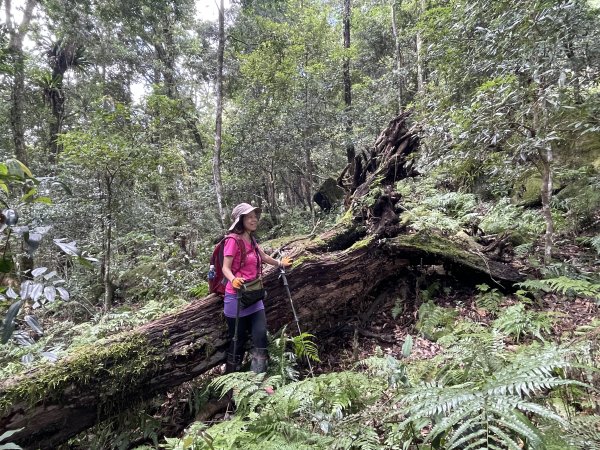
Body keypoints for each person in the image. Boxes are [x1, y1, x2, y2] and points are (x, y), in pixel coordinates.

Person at [221, 203, 292, 374]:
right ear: (241, 220)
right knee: (237, 340)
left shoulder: (251, 239)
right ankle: (233, 384)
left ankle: (259, 380)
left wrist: (280, 263)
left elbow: (264, 257)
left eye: (255, 216)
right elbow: (225, 268)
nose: (254, 220)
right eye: (249, 216)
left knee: (260, 336)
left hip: (254, 295)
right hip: (236, 298)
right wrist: (233, 280)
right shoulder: (232, 240)